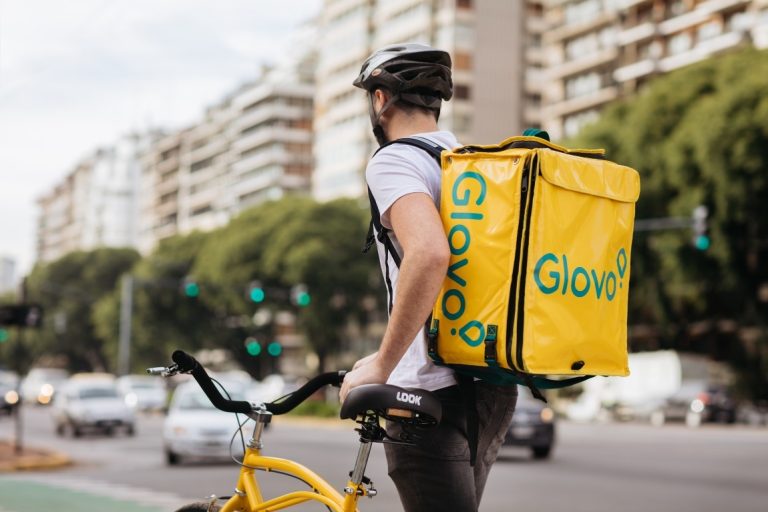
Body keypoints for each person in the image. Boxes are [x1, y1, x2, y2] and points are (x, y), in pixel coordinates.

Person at [339, 43, 518, 512]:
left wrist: (384, 366)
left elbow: (430, 254)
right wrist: (380, 355)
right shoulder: (467, 163)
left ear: (380, 99)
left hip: (428, 391)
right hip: (489, 384)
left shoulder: (395, 160)